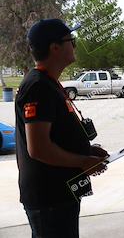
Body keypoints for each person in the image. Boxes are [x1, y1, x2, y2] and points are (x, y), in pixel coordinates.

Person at [15, 19, 108, 238]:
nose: (74, 46)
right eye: (71, 41)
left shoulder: (48, 83)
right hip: (49, 197)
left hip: (61, 193)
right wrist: (83, 162)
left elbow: (56, 137)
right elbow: (38, 149)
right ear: (54, 47)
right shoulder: (37, 86)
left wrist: (88, 151)